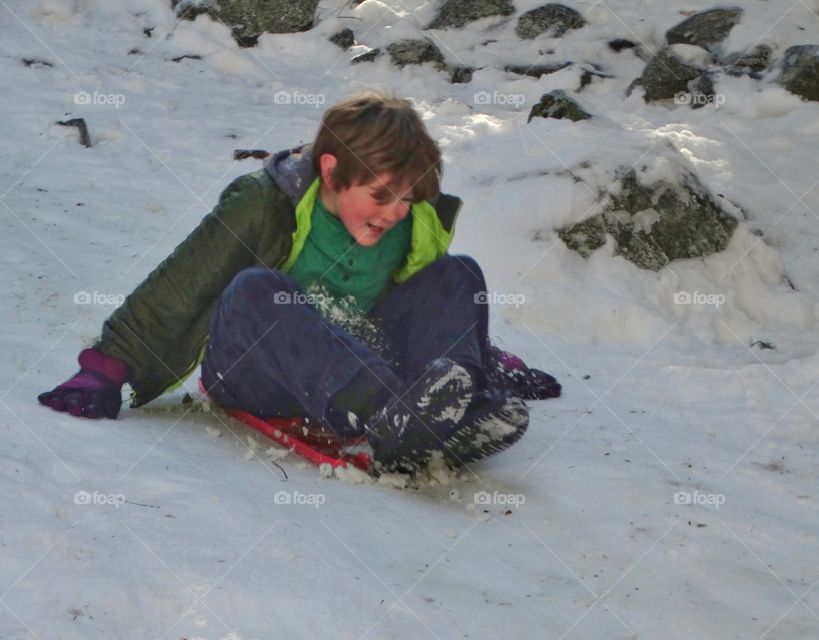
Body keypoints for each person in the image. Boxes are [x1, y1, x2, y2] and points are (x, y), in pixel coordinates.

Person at [38, 93, 560, 472]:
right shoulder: (263, 203)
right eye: (382, 197)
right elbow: (182, 284)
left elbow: (432, 307)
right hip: (260, 365)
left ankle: (457, 400)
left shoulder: (411, 221)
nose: (396, 213)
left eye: (407, 200)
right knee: (254, 289)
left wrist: (478, 356)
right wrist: (107, 367)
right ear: (332, 173)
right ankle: (388, 418)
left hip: (365, 353)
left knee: (458, 272)